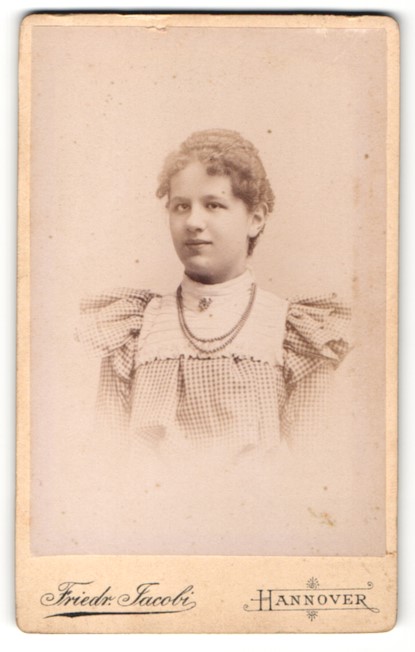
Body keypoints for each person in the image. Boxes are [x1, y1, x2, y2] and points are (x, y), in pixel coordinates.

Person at [78, 129, 350, 463]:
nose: (193, 221)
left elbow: (315, 468)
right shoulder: (135, 329)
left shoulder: (293, 332)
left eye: (214, 205)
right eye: (181, 206)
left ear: (256, 219)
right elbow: (103, 462)